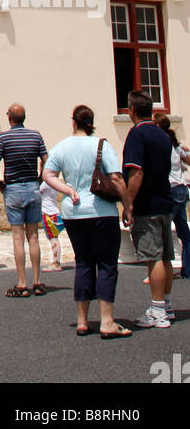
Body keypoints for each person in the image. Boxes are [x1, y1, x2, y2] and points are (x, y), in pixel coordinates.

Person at [43, 105, 132, 338]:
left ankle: (82, 320)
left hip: (74, 212)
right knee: (106, 264)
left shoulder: (62, 147)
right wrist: (128, 206)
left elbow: (47, 175)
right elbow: (116, 178)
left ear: (73, 122)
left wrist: (68, 189)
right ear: (91, 122)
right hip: (101, 210)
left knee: (83, 263)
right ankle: (107, 320)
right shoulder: (101, 145)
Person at [123, 89, 175, 327]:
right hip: (165, 200)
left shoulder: (137, 135)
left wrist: (129, 203)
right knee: (165, 257)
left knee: (153, 257)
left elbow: (136, 171)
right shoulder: (162, 135)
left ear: (132, 111)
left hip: (147, 203)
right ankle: (166, 304)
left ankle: (158, 311)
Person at [0, 103, 48, 297]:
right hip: (32, 186)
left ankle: (22, 282)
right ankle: (37, 281)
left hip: (13, 187)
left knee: (17, 236)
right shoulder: (35, 135)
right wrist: (40, 177)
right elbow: (46, 159)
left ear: (9, 117)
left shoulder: (3, 137)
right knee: (33, 236)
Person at [156, 115, 190, 280]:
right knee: (184, 233)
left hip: (170, 190)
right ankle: (187, 271)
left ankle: (160, 272)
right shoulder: (176, 146)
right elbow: (188, 159)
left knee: (162, 231)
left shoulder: (159, 145)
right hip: (182, 190)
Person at [40, 180, 65, 271]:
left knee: (53, 239)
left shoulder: (46, 183)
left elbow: (36, 193)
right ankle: (56, 261)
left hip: (48, 213)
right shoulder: (55, 181)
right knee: (55, 238)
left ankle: (56, 263)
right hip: (54, 212)